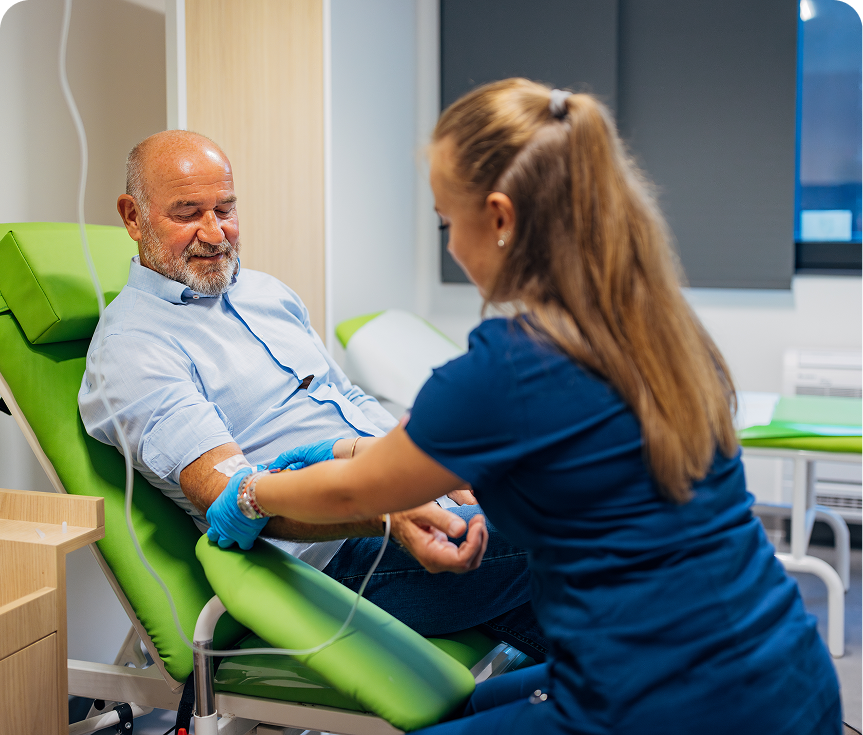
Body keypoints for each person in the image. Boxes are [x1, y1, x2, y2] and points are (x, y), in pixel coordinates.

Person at [206, 80, 842, 734]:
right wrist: (340, 450)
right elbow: (442, 463)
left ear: (502, 217)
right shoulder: (657, 328)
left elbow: (352, 496)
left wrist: (252, 492)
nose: (449, 245)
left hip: (669, 704)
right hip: (786, 672)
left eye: (446, 222)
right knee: (477, 702)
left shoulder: (509, 368)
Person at [78, 129, 548, 661]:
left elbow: (346, 398)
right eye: (188, 213)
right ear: (133, 216)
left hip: (403, 491)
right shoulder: (132, 348)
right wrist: (386, 515)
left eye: (226, 208)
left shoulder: (266, 293)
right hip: (337, 557)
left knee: (578, 549)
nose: (215, 233)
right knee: (570, 518)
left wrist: (440, 470)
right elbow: (232, 497)